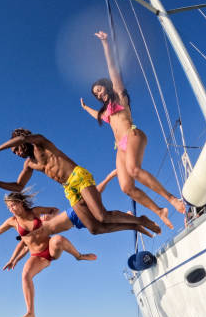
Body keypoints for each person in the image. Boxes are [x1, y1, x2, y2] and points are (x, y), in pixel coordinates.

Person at [79, 30, 185, 229]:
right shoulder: (106, 112)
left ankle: (171, 198)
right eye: (95, 94)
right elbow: (98, 116)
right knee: (126, 187)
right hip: (120, 147)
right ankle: (159, 210)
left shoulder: (119, 96)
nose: (98, 94)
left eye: (99, 89)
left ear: (106, 86)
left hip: (133, 134)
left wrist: (105, 44)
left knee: (134, 170)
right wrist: (85, 108)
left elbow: (112, 69)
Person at [0, 128, 160, 237]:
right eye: (14, 152)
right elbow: (19, 186)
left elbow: (23, 139)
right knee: (94, 228)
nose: (16, 152)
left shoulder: (39, 142)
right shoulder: (29, 164)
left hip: (77, 176)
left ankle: (141, 220)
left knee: (102, 215)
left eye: (16, 149)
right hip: (69, 188)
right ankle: (134, 225)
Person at [0, 192, 96, 317]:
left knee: (57, 239)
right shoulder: (12, 222)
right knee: (25, 275)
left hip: (50, 248)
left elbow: (55, 210)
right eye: (9, 207)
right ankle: (30, 313)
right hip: (38, 256)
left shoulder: (35, 212)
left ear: (20, 203)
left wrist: (49, 216)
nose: (11, 209)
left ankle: (79, 256)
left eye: (13, 205)